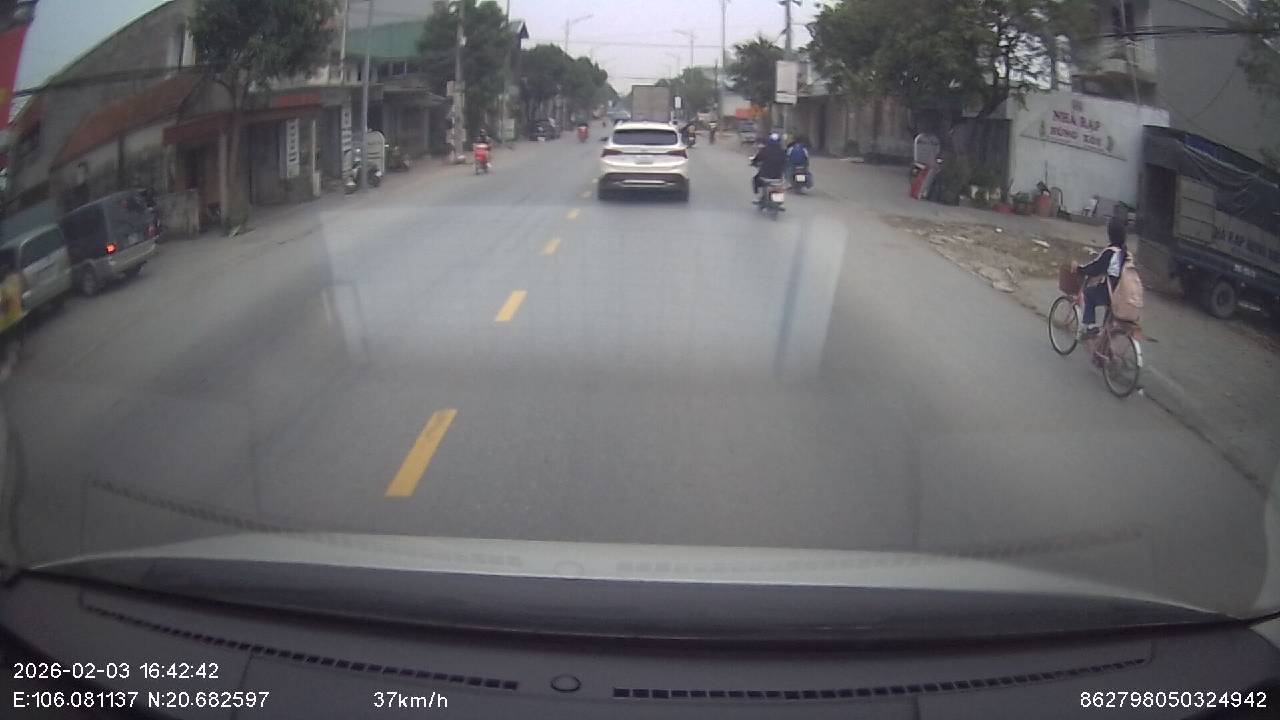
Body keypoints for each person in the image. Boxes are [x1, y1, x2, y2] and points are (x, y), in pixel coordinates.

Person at [1077, 202, 1129, 336]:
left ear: (1110, 234)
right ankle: (1104, 342)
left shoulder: (1110, 252)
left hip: (1110, 292)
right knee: (1108, 321)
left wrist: (1080, 269)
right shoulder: (1125, 253)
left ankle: (1090, 327)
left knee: (1088, 293)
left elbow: (1096, 268)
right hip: (1123, 292)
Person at [750, 132, 786, 198]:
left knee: (756, 179)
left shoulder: (765, 150)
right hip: (778, 176)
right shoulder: (782, 151)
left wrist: (754, 162)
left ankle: (759, 195)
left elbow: (758, 158)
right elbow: (785, 161)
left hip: (766, 175)